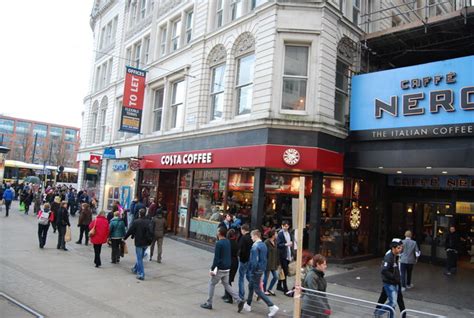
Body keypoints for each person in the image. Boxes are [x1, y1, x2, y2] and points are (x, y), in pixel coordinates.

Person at [200, 226, 245, 312]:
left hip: (220, 268)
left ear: (219, 233)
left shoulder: (219, 243)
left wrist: (212, 269)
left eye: (217, 231)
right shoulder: (227, 241)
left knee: (211, 284)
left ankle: (209, 303)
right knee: (226, 284)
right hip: (227, 267)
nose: (216, 232)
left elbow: (216, 258)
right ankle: (239, 300)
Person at [242, 229, 279, 317]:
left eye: (251, 236)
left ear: (255, 236)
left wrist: (252, 271)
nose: (251, 238)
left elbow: (254, 261)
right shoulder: (263, 245)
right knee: (251, 286)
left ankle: (272, 306)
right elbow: (265, 258)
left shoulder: (255, 246)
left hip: (255, 271)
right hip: (261, 269)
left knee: (257, 290)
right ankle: (248, 304)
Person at [374, 238, 403, 318]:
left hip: (394, 282)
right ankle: (378, 313)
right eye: (398, 248)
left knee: (392, 303)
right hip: (390, 283)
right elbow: (384, 270)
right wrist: (394, 277)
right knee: (393, 302)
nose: (400, 249)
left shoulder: (395, 256)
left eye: (401, 247)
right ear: (393, 248)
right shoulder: (389, 257)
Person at [124, 209, 153, 280]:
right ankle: (135, 269)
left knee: (139, 258)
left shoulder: (136, 222)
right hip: (146, 242)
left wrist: (125, 238)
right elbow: (151, 231)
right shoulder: (148, 222)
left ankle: (141, 274)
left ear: (139, 214)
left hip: (139, 242)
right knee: (140, 257)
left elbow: (130, 230)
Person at [223, 228, 239, 304]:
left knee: (226, 280)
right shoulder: (236, 243)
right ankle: (226, 295)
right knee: (229, 279)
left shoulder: (227, 242)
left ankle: (229, 297)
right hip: (235, 262)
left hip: (229, 262)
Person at [277, 220, 293, 294]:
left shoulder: (289, 233)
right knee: (285, 272)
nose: (286, 227)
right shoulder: (280, 234)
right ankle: (285, 288)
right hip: (282, 255)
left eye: (287, 226)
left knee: (283, 271)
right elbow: (279, 245)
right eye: (285, 226)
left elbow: (290, 242)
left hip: (288, 254)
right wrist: (286, 244)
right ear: (282, 226)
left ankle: (279, 285)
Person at [238, 224, 253, 300]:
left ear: (243, 230)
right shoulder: (251, 237)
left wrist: (240, 256)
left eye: (241, 230)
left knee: (241, 277)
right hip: (250, 259)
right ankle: (255, 289)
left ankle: (241, 295)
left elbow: (241, 250)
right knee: (248, 275)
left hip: (244, 260)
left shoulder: (243, 238)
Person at [264, 229, 279, 296]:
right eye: (276, 233)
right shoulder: (266, 242)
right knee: (266, 277)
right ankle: (264, 290)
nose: (277, 235)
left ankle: (269, 288)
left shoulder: (275, 241)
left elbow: (276, 252)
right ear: (273, 235)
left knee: (275, 277)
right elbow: (263, 252)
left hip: (273, 262)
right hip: (267, 263)